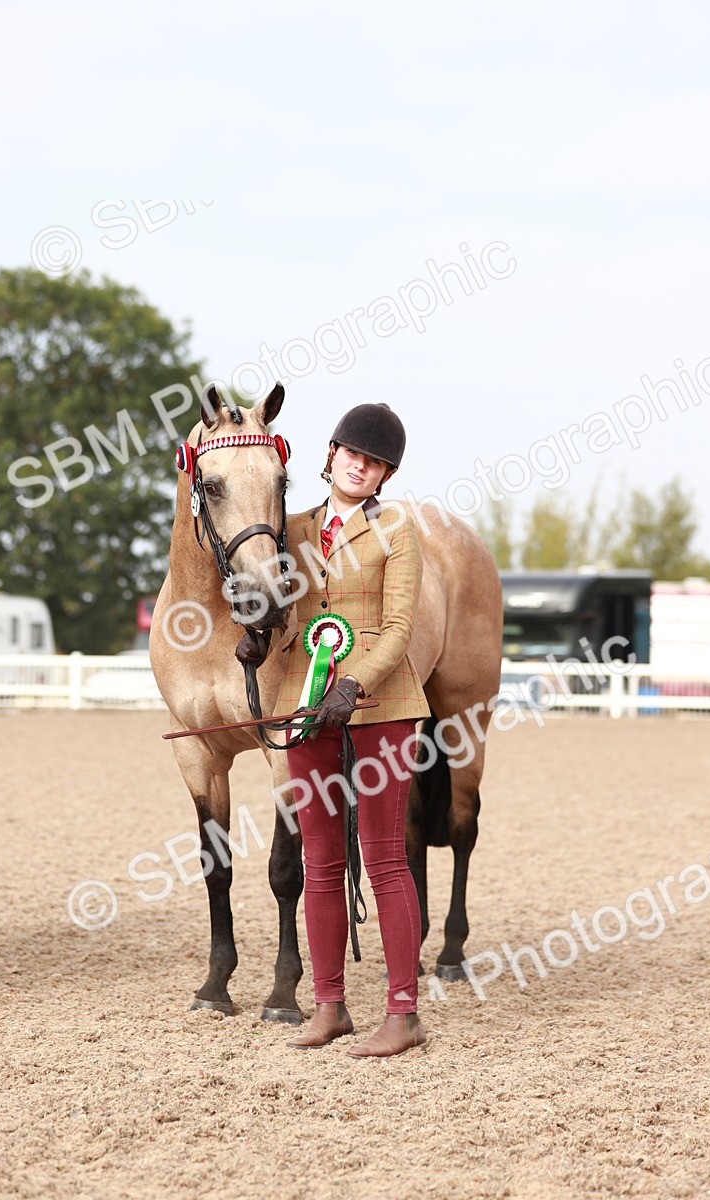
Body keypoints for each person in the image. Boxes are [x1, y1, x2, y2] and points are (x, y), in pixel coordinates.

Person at [235, 402, 430, 1058]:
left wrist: (355, 684)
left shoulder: (397, 529)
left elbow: (399, 627)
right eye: (352, 453)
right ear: (331, 453)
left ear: (385, 475)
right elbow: (281, 611)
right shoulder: (291, 530)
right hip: (305, 701)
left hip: (382, 705)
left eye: (374, 462)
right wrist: (258, 642)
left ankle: (403, 1013)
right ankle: (329, 1005)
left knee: (385, 857)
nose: (359, 466)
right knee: (319, 859)